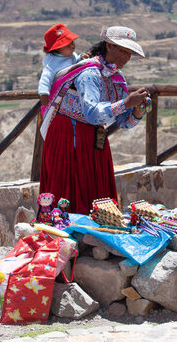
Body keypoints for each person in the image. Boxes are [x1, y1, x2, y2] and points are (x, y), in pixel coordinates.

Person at [40, 26, 149, 215]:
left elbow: (123, 122)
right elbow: (91, 113)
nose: (126, 57)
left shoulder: (116, 78)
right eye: (123, 50)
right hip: (70, 136)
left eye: (130, 53)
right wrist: (127, 102)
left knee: (94, 192)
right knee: (71, 190)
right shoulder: (89, 74)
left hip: (92, 138)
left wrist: (137, 111)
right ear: (109, 46)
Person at [38, 23, 81, 107]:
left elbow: (77, 62)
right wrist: (44, 93)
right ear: (57, 48)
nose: (72, 46)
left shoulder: (73, 55)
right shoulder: (51, 63)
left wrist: (82, 58)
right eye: (68, 45)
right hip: (61, 98)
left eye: (72, 42)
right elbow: (45, 79)